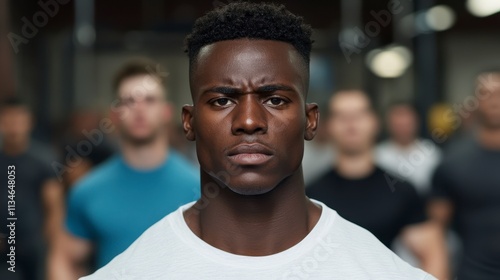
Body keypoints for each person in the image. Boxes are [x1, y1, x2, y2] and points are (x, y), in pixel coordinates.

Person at [82, 3, 435, 279]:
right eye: (222, 100)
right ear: (189, 122)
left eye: (275, 99)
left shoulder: (383, 274)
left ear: (310, 120)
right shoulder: (131, 273)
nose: (249, 121)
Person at [48, 59, 200, 279]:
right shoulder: (88, 190)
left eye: (149, 100)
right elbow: (64, 260)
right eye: (129, 101)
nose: (139, 109)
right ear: (114, 115)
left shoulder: (198, 188)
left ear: (166, 111)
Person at [307, 90, 448, 279]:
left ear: (375, 122)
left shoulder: (401, 190)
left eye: (359, 114)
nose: (351, 123)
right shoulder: (309, 195)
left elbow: (434, 256)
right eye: (341, 116)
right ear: (327, 126)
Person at [429, 70, 500, 279]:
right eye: (486, 93)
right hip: (473, 274)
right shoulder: (453, 163)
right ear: (475, 101)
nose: (494, 100)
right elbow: (434, 231)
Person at [0, 97, 63, 280]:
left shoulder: (43, 160)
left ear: (29, 123)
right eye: (8, 120)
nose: (13, 127)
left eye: (18, 120)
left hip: (32, 245)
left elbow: (54, 207)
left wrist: (49, 246)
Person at [375, 101, 442, 195]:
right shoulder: (376, 155)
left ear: (417, 122)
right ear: (388, 123)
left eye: (407, 122)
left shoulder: (432, 153)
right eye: (398, 123)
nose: (403, 127)